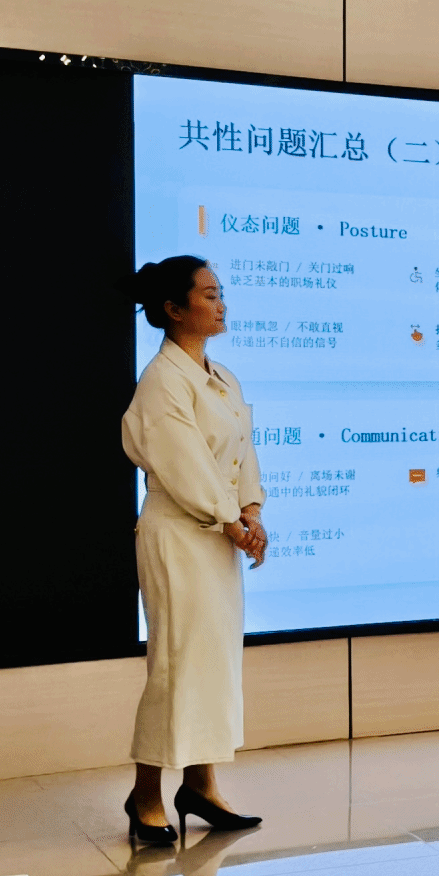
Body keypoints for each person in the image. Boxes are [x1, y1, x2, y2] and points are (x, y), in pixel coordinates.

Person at [122, 256, 267, 845]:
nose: (221, 303)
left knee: (211, 662)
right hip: (179, 535)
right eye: (208, 294)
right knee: (176, 665)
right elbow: (183, 462)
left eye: (220, 292)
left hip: (217, 533)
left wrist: (251, 510)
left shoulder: (222, 376)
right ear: (173, 309)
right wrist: (231, 519)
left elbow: (242, 450)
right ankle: (145, 795)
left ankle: (201, 787)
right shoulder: (162, 380)